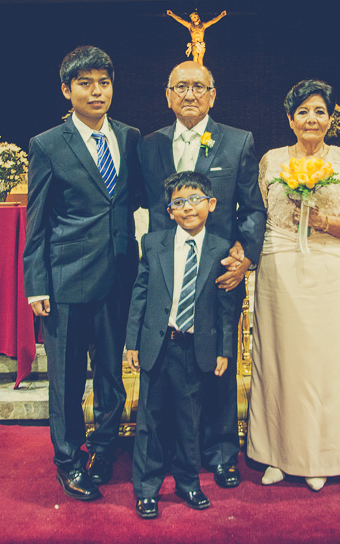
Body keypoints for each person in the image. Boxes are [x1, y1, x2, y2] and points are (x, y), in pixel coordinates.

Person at [23, 46, 143, 501]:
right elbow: (37, 220)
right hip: (67, 281)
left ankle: (104, 450)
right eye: (85, 83)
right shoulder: (47, 144)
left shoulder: (130, 137)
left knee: (112, 376)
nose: (97, 92)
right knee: (67, 380)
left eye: (104, 83)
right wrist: (36, 283)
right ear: (66, 90)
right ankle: (69, 460)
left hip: (118, 278)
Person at [139, 60, 266, 489]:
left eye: (198, 86)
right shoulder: (150, 145)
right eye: (180, 87)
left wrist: (245, 257)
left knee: (218, 366)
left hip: (217, 274)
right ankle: (169, 451)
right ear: (167, 95)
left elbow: (252, 209)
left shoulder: (237, 141)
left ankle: (221, 452)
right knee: (166, 367)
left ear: (213, 95)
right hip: (166, 274)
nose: (189, 94)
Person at [247, 79, 340, 491]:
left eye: (319, 111)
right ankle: (274, 453)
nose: (311, 119)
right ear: (290, 118)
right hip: (278, 262)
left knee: (321, 363)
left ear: (331, 118)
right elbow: (259, 215)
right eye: (303, 112)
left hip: (327, 266)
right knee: (276, 359)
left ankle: (319, 456)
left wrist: (323, 221)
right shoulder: (271, 160)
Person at [126, 172, 236, 520]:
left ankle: (188, 482)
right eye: (178, 202)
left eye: (195, 199)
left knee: (190, 420)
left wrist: (224, 349)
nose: (187, 207)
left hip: (195, 348)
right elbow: (140, 295)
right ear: (169, 211)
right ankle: (147, 489)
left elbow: (227, 307)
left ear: (211, 204)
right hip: (158, 346)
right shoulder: (153, 243)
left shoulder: (221, 248)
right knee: (150, 421)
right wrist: (132, 342)